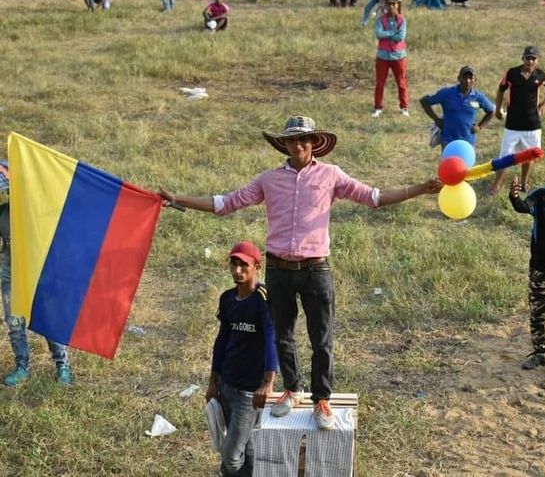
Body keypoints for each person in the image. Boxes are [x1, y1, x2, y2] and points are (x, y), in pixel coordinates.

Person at [159, 115, 442, 430]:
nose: (298, 145)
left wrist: (420, 189)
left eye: (304, 139)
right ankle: (292, 390)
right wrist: (178, 199)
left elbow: (373, 198)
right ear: (284, 144)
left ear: (315, 143)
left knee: (321, 338)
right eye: (292, 140)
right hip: (279, 269)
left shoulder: (331, 175)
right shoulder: (269, 179)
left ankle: (322, 399)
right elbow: (226, 203)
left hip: (315, 269)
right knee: (283, 335)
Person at [205, 241, 278, 477]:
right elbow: (222, 339)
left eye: (243, 265)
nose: (237, 271)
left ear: (257, 266)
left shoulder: (264, 300)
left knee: (231, 455)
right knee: (245, 445)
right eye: (233, 264)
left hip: (249, 393)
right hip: (227, 384)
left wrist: (268, 382)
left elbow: (271, 339)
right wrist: (213, 381)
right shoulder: (227, 299)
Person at [0, 162, 73, 387]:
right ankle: (22, 366)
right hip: (10, 272)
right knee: (14, 322)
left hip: (41, 272)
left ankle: (62, 365)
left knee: (50, 320)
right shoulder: (2, 213)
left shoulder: (38, 212)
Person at [489, 46, 545, 195]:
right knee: (504, 156)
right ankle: (496, 185)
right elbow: (501, 90)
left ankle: (524, 183)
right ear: (522, 58)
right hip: (512, 125)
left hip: (532, 124)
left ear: (537, 60)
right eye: (527, 58)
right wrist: (497, 109)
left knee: (529, 155)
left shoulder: (541, 75)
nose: (530, 61)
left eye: (533, 58)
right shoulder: (512, 73)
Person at [509, 175, 545, 370]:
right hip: (541, 271)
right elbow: (522, 207)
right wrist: (514, 196)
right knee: (537, 314)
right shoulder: (541, 195)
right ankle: (539, 353)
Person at [420, 66, 494, 150]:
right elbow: (424, 101)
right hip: (448, 141)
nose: (467, 81)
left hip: (468, 142)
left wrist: (480, 127)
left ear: (474, 80)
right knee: (450, 163)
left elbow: (491, 111)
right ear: (459, 78)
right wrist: (436, 120)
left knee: (466, 164)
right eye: (464, 77)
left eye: (470, 78)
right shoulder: (447, 93)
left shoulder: (478, 97)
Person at [372, 0, 409, 118]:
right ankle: (378, 107)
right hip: (383, 56)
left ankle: (404, 107)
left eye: (394, 4)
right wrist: (393, 32)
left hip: (398, 56)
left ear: (397, 5)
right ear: (386, 5)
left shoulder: (402, 20)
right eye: (389, 4)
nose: (391, 6)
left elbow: (401, 37)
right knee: (380, 83)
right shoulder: (380, 20)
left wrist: (386, 34)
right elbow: (378, 33)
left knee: (401, 83)